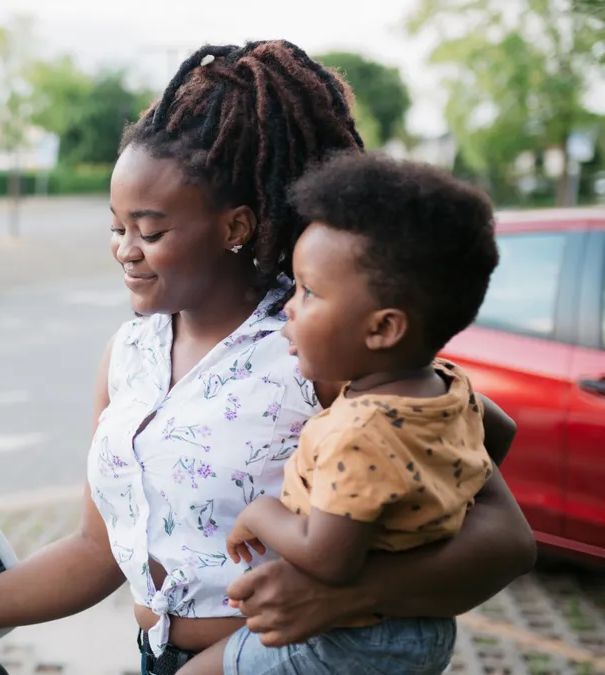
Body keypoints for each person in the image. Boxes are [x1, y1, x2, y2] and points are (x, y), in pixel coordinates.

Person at [0, 40, 537, 675]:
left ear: (236, 225)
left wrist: (345, 595)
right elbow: (97, 553)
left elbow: (504, 536)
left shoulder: (317, 340)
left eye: (150, 229)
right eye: (116, 226)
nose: (125, 248)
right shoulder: (129, 354)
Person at [207, 153, 504, 674]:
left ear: (383, 329)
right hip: (424, 624)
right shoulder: (446, 386)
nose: (288, 308)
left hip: (344, 641)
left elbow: (328, 560)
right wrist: (431, 506)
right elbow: (501, 432)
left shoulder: (361, 431)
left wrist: (260, 514)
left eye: (309, 292)